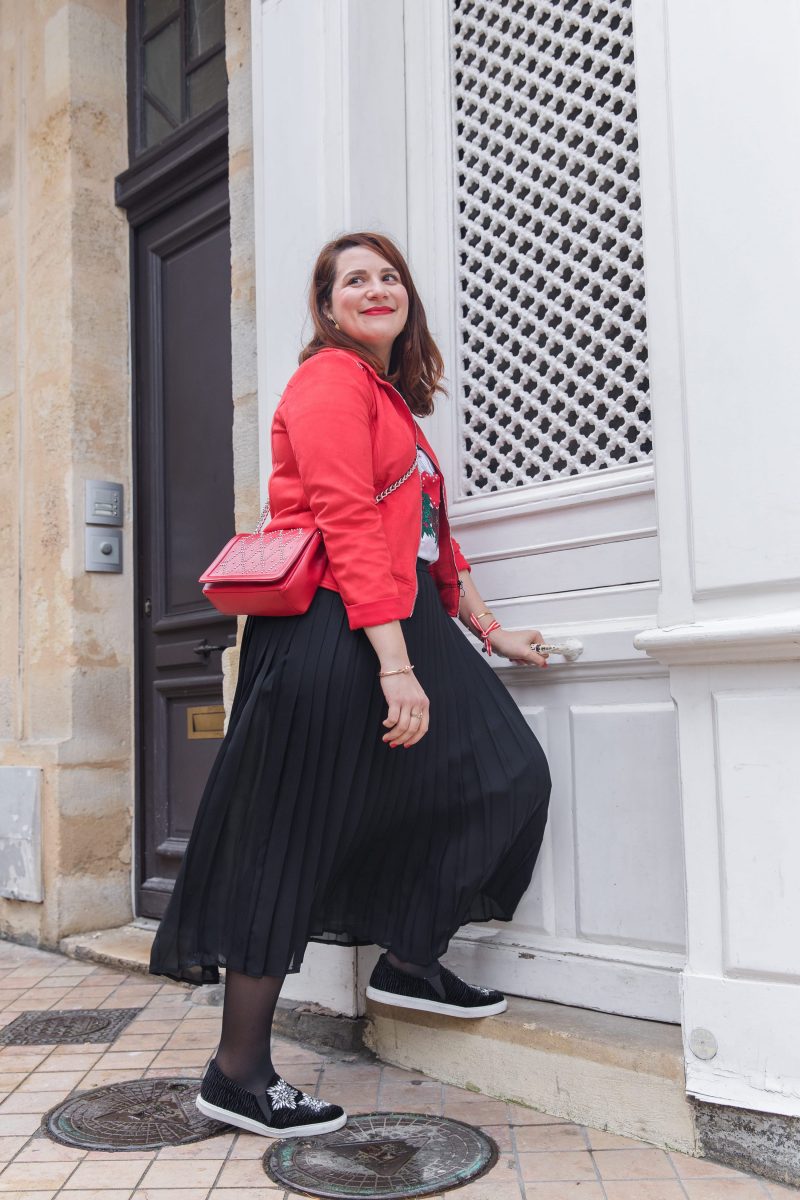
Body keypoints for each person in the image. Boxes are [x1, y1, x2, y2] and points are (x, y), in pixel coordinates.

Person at [149, 231, 552, 1139]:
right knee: (289, 837)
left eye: (389, 276)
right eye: (355, 280)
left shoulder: (389, 399)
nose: (377, 289)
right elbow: (344, 521)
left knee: (508, 775)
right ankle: (238, 1073)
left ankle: (409, 958)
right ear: (328, 307)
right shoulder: (329, 380)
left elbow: (430, 536)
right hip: (332, 629)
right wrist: (395, 667)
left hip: (395, 618)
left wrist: (488, 628)